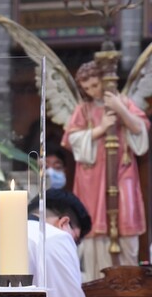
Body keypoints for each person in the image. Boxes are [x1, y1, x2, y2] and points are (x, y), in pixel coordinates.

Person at [62, 60, 150, 282]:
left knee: (126, 219)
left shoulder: (124, 103)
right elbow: (71, 139)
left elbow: (141, 131)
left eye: (95, 84)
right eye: (87, 87)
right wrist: (100, 129)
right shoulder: (84, 110)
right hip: (92, 178)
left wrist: (121, 110)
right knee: (95, 231)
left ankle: (130, 283)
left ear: (104, 80)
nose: (92, 90)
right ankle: (98, 283)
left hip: (122, 171)